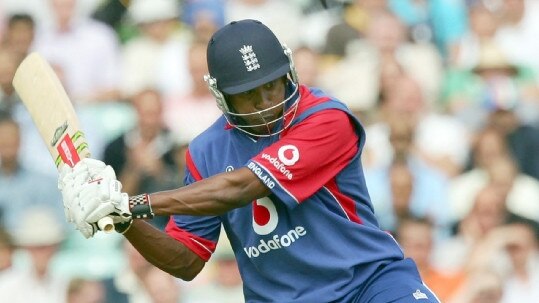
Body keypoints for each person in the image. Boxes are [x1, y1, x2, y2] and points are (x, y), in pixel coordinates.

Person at [59, 19, 440, 302]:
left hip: (369, 285)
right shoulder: (206, 151)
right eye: (249, 95)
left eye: (272, 84)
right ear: (221, 96)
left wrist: (134, 203)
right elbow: (186, 262)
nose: (266, 103)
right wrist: (122, 220)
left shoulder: (325, 117)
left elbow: (243, 186)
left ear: (288, 73)